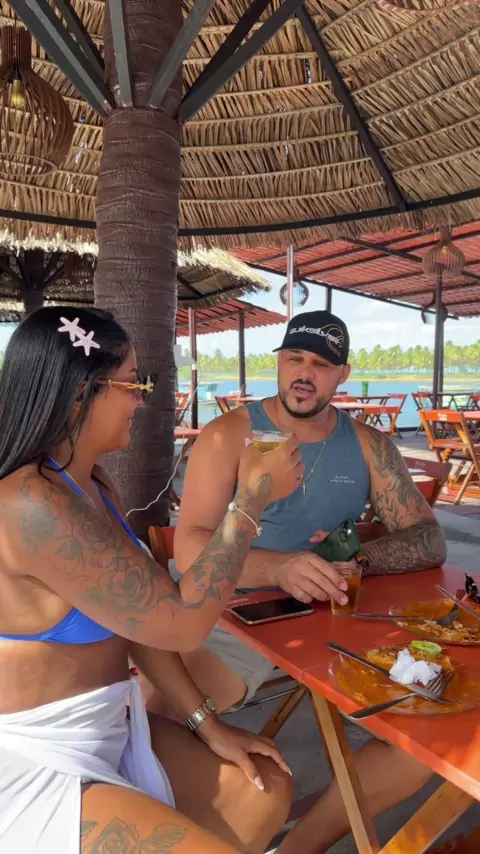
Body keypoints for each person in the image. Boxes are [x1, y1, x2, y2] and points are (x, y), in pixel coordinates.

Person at [0, 306, 306, 854]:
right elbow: (183, 623)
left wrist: (206, 722)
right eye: (133, 384)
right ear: (81, 393)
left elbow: (141, 621)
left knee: (262, 789)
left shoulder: (93, 485)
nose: (142, 400)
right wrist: (250, 500)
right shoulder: (30, 505)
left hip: (110, 728)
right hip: (37, 757)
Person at [161, 309, 447, 854]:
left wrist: (353, 561)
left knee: (426, 727)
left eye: (320, 364)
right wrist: (279, 568)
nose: (303, 373)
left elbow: (429, 538)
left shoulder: (368, 445)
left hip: (335, 616)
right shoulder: (229, 435)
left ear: (343, 374)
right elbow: (190, 547)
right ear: (279, 362)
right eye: (294, 358)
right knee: (155, 715)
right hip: (233, 613)